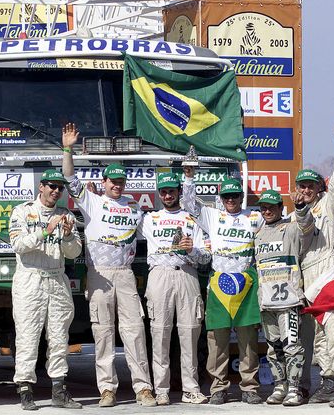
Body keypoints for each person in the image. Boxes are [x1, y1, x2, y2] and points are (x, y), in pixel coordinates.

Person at [61, 123, 156, 408]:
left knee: (135, 332)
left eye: (121, 181)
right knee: (102, 333)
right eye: (112, 181)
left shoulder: (135, 207)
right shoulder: (92, 201)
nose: (116, 185)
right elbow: (68, 177)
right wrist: (68, 149)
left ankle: (143, 388)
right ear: (103, 182)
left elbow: (153, 233)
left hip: (125, 275)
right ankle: (107, 389)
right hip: (99, 273)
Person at [182, 166, 264, 405]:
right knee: (216, 340)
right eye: (226, 196)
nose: (230, 200)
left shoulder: (254, 217)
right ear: (220, 199)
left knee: (247, 339)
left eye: (234, 196)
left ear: (241, 197)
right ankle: (218, 387)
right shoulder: (212, 216)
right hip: (219, 284)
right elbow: (189, 205)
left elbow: (275, 225)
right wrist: (188, 178)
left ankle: (249, 386)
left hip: (246, 284)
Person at [9, 169, 83, 410]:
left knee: (60, 338)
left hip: (57, 278)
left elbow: (74, 253)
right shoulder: (23, 211)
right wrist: (45, 231)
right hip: (30, 280)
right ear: (41, 187)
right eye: (51, 186)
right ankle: (25, 390)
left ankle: (59, 390)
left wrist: (69, 236)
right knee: (28, 336)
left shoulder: (66, 215)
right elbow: (18, 245)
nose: (56, 191)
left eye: (60, 187)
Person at [138, 172, 211, 405]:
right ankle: (161, 389)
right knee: (159, 333)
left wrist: (192, 250)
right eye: (164, 191)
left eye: (172, 190)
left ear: (179, 191)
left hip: (187, 274)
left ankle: (191, 388)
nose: (168, 195)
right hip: (159, 275)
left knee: (190, 332)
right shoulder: (149, 218)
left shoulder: (193, 219)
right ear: (159, 194)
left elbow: (206, 256)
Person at [296, 127, 334, 407]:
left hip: (329, 272)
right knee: (318, 335)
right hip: (308, 278)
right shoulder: (295, 215)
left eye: (311, 186)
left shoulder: (327, 207)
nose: (306, 190)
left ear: (319, 188)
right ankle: (328, 381)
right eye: (302, 186)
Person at [254, 189, 314, 406]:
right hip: (267, 301)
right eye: (263, 207)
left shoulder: (291, 228)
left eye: (271, 207)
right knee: (273, 348)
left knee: (292, 346)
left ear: (280, 208)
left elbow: (307, 226)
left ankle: (295, 389)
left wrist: (300, 208)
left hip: (289, 300)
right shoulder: (258, 234)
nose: (267, 211)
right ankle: (280, 386)